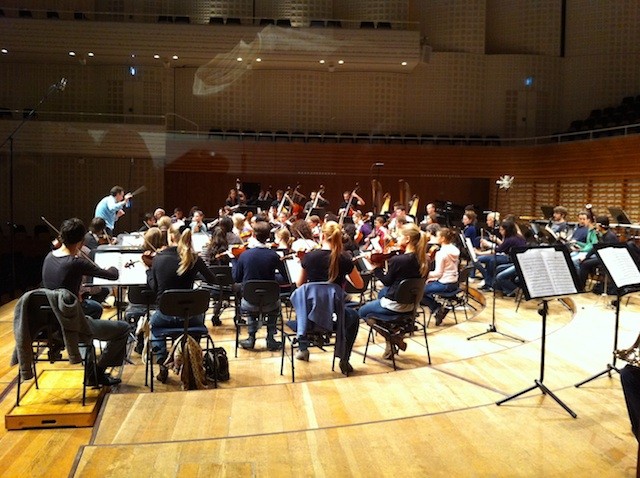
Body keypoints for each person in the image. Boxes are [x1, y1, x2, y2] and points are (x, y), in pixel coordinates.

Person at [41, 218, 130, 386]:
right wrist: (116, 266)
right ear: (82, 241)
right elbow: (112, 275)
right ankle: (96, 373)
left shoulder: (49, 257)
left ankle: (87, 362)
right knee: (123, 329)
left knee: (95, 308)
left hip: (51, 320)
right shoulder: (75, 263)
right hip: (71, 323)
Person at [146, 223, 217, 383]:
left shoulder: (158, 258)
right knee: (199, 315)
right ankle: (190, 360)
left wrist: (149, 271)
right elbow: (212, 279)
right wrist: (193, 273)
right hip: (190, 316)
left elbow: (155, 289)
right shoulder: (193, 257)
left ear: (171, 237)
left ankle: (162, 361)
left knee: (154, 326)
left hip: (165, 315)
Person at [296, 221, 364, 373]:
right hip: (336, 310)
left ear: (322, 236)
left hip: (312, 313)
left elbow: (299, 284)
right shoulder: (345, 258)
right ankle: (344, 359)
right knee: (353, 317)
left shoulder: (309, 257)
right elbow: (359, 285)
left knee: (302, 307)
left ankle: (303, 348)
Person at [358, 223, 429, 358]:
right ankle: (396, 332)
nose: (397, 239)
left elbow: (386, 281)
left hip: (396, 305)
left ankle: (392, 337)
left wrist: (376, 268)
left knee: (362, 312)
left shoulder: (399, 260)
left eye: (400, 236)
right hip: (412, 305)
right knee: (382, 293)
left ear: (407, 239)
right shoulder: (424, 259)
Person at [233, 221, 285, 351]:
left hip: (249, 301)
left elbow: (237, 278)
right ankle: (271, 338)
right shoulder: (274, 256)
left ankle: (251, 338)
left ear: (254, 235)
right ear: (268, 237)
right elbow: (285, 277)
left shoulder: (244, 255)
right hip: (270, 301)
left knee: (250, 299)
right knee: (276, 305)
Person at [422, 228, 460, 325]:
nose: (436, 238)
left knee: (418, 292)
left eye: (438, 236)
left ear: (442, 238)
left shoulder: (441, 253)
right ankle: (437, 309)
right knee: (427, 287)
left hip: (445, 283)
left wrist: (425, 274)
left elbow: (438, 273)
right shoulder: (455, 249)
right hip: (454, 282)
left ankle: (437, 309)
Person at [476, 219, 526, 291]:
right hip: (514, 259)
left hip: (513, 261)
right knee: (489, 260)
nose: (500, 231)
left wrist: (479, 253)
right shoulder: (518, 236)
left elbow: (496, 250)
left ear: (507, 230)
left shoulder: (510, 239)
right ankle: (490, 283)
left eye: (502, 230)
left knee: (491, 261)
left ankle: (490, 284)